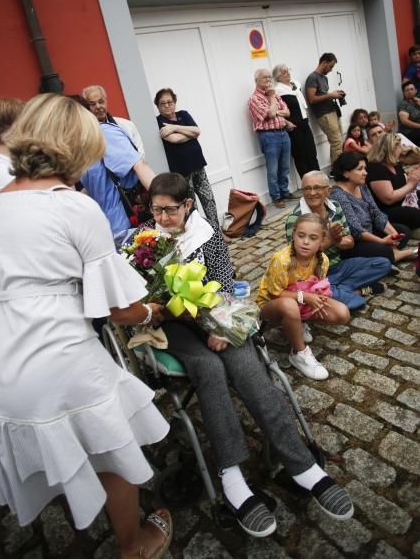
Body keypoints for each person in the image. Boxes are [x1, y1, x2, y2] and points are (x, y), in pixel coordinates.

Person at [0, 95, 173, 559]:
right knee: (115, 450)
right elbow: (120, 309)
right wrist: (153, 313)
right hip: (55, 356)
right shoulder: (74, 207)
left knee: (70, 443)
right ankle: (133, 544)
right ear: (79, 147)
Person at [140, 172, 353, 537]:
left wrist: (222, 328)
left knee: (246, 363)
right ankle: (232, 476)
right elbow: (142, 292)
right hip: (172, 325)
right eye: (156, 210)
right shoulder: (146, 239)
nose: (161, 218)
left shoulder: (206, 237)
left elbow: (223, 286)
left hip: (212, 316)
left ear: (188, 205)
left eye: (170, 210)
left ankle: (303, 465)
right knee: (207, 368)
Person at [258, 214, 350, 380]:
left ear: (322, 240)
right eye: (301, 236)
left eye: (313, 238)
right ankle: (299, 353)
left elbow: (315, 287)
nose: (306, 242)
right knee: (289, 306)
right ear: (294, 234)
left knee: (342, 313)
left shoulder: (323, 260)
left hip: (301, 302)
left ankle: (298, 324)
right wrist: (305, 297)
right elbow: (274, 294)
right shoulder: (281, 260)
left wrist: (318, 297)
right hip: (272, 309)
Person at [285, 171, 391, 311]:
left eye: (317, 188)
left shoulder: (335, 206)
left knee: (383, 264)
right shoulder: (295, 218)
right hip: (314, 275)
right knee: (355, 304)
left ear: (328, 190)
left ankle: (339, 289)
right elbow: (298, 259)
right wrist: (331, 239)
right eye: (306, 188)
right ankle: (355, 292)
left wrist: (342, 241)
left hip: (338, 266)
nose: (312, 193)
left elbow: (350, 241)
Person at [81, 102, 155, 243]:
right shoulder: (81, 146)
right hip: (105, 229)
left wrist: (167, 201)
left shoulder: (104, 134)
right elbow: (92, 186)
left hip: (127, 224)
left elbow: (140, 166)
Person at [330, 151, 416, 263]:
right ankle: (395, 254)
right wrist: (381, 242)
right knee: (384, 249)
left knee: (403, 231)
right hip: (355, 243)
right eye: (360, 169)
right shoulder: (339, 195)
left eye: (365, 168)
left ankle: (390, 254)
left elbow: (377, 213)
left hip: (370, 232)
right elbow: (356, 230)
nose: (365, 173)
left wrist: (393, 235)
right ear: (346, 173)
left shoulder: (362, 186)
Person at [154, 88, 220, 227]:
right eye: (162, 103)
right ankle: (203, 235)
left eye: (169, 102)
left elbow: (197, 131)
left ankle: (217, 232)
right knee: (192, 205)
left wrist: (173, 127)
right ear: (157, 106)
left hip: (198, 164)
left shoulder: (183, 114)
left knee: (208, 200)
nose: (167, 105)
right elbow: (175, 139)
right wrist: (189, 133)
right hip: (182, 171)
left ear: (174, 102)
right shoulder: (158, 121)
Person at [248, 69, 298, 208]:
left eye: (270, 77)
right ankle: (276, 197)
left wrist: (275, 110)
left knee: (285, 167)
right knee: (273, 169)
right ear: (256, 80)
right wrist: (271, 98)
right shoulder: (255, 99)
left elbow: (287, 112)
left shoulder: (274, 94)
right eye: (265, 77)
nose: (269, 79)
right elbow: (270, 114)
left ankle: (285, 192)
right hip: (269, 136)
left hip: (283, 133)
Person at [272, 63, 320, 178]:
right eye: (284, 72)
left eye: (288, 70)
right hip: (293, 126)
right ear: (278, 77)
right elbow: (277, 110)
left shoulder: (295, 85)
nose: (288, 72)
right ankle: (308, 183)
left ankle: (319, 180)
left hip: (304, 123)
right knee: (300, 156)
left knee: (311, 152)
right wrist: (286, 122)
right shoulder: (278, 91)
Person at [366, 133, 420, 229]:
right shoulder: (375, 168)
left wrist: (413, 178)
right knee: (414, 214)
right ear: (391, 148)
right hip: (386, 210)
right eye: (399, 146)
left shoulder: (394, 164)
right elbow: (388, 199)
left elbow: (404, 186)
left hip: (402, 201)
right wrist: (411, 184)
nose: (402, 149)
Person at [82, 84, 145, 157]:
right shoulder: (85, 134)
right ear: (86, 107)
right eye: (92, 104)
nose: (98, 106)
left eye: (101, 101)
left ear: (106, 101)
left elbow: (140, 153)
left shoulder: (128, 125)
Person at [304, 53, 345, 164]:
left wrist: (335, 94)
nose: (331, 70)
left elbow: (323, 95)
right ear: (324, 62)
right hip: (323, 114)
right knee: (336, 142)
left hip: (332, 111)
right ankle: (338, 171)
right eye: (331, 66)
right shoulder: (312, 77)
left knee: (339, 140)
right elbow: (312, 99)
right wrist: (331, 95)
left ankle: (335, 168)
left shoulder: (324, 78)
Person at [398, 81, 420, 146]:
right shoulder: (403, 104)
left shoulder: (417, 101)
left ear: (416, 90)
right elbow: (404, 121)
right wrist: (419, 126)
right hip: (409, 132)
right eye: (407, 90)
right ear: (404, 93)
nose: (409, 91)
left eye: (411, 89)